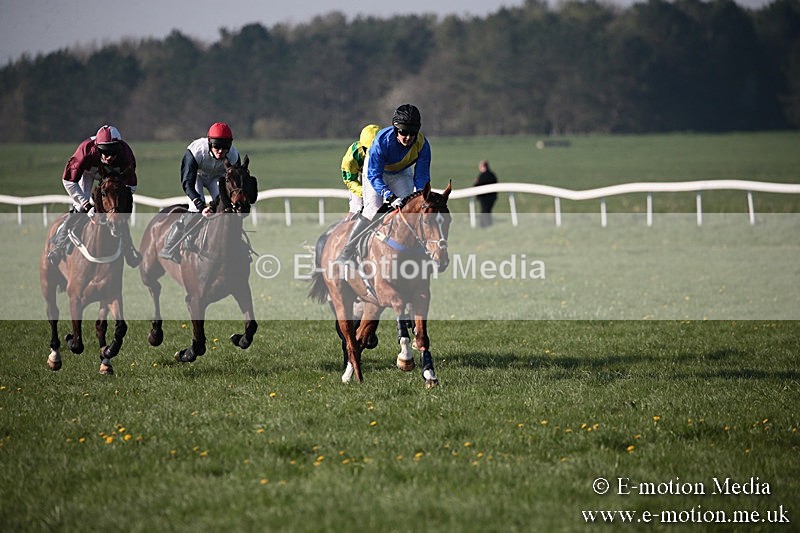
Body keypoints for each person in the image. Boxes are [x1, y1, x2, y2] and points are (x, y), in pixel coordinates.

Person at [335, 104, 431, 264]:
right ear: (395, 129)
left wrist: (421, 196)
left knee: (411, 210)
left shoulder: (422, 144)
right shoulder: (381, 141)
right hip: (376, 173)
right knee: (372, 210)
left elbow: (422, 176)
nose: (408, 137)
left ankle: (419, 251)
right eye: (403, 132)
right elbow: (373, 175)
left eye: (412, 133)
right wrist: (388, 195)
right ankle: (347, 252)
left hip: (401, 172)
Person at [48, 125, 140, 267]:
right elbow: (68, 180)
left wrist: (115, 205)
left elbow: (131, 186)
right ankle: (58, 247)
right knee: (80, 208)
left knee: (118, 214)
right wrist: (86, 203)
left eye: (113, 151)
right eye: (104, 151)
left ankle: (129, 249)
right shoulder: (85, 150)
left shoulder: (126, 155)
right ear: (97, 147)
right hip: (88, 173)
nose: (108, 156)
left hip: (112, 178)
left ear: (119, 148)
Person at [159, 122, 241, 263]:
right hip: (196, 177)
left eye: (225, 147)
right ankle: (169, 247)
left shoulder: (233, 156)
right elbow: (187, 183)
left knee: (225, 209)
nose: (221, 151)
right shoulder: (196, 150)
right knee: (196, 210)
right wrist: (201, 206)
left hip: (217, 178)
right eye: (216, 146)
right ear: (209, 143)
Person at [340, 124, 380, 217]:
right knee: (357, 207)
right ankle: (347, 227)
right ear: (362, 146)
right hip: (358, 178)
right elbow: (350, 180)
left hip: (379, 177)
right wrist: (365, 192)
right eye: (369, 150)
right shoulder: (352, 157)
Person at [473, 159, 498, 227]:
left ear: (483, 166)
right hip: (492, 197)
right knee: (488, 211)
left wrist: (475, 182)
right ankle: (488, 224)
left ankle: (484, 225)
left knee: (485, 211)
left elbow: (477, 186)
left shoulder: (482, 176)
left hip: (484, 198)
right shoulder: (492, 175)